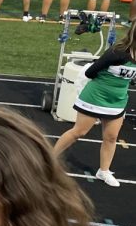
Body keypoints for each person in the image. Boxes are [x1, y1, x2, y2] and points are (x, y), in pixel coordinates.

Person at [53, 22, 136, 187]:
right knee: (79, 132)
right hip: (95, 97)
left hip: (117, 100)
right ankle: (49, 160)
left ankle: (103, 171)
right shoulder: (117, 52)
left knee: (111, 137)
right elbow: (91, 71)